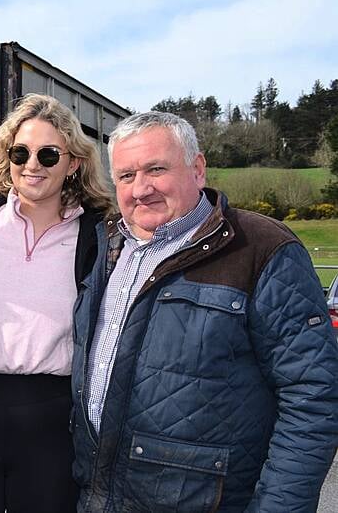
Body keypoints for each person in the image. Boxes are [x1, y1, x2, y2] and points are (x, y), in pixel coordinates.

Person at [70, 111, 338, 511]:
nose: (140, 189)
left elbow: (313, 396)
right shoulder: (107, 248)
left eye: (156, 169)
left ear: (197, 169)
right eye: (126, 176)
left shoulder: (259, 249)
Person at [0, 94, 113, 513]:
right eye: (21, 152)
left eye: (49, 154)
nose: (33, 165)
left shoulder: (99, 239)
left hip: (52, 415)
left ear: (73, 164)